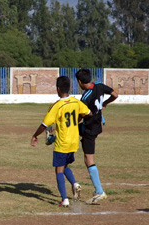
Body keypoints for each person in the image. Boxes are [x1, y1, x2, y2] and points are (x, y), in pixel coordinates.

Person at [31, 76, 91, 208]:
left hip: (62, 142)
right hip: (74, 141)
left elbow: (44, 124)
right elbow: (89, 113)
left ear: (57, 88)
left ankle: (64, 199)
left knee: (58, 170)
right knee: (64, 166)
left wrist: (35, 135)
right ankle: (74, 184)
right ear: (69, 87)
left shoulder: (57, 106)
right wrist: (78, 119)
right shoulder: (76, 102)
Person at [75, 68, 118, 204]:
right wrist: (105, 103)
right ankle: (53, 138)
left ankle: (99, 191)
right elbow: (115, 95)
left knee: (89, 160)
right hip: (96, 125)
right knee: (74, 131)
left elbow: (81, 116)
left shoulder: (85, 97)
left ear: (80, 81)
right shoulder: (99, 85)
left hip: (89, 129)